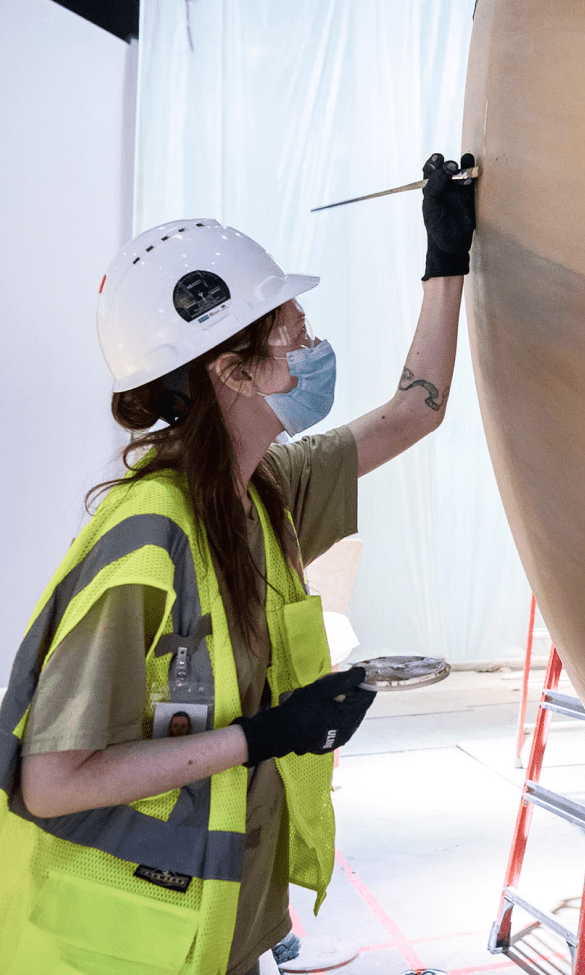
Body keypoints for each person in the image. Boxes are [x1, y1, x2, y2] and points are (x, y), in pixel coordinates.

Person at [0, 151, 476, 975]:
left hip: (224, 929)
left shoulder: (266, 491)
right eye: (297, 339)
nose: (313, 355)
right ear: (231, 370)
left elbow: (414, 411)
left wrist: (447, 259)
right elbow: (51, 779)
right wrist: (266, 734)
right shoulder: (147, 537)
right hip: (126, 950)